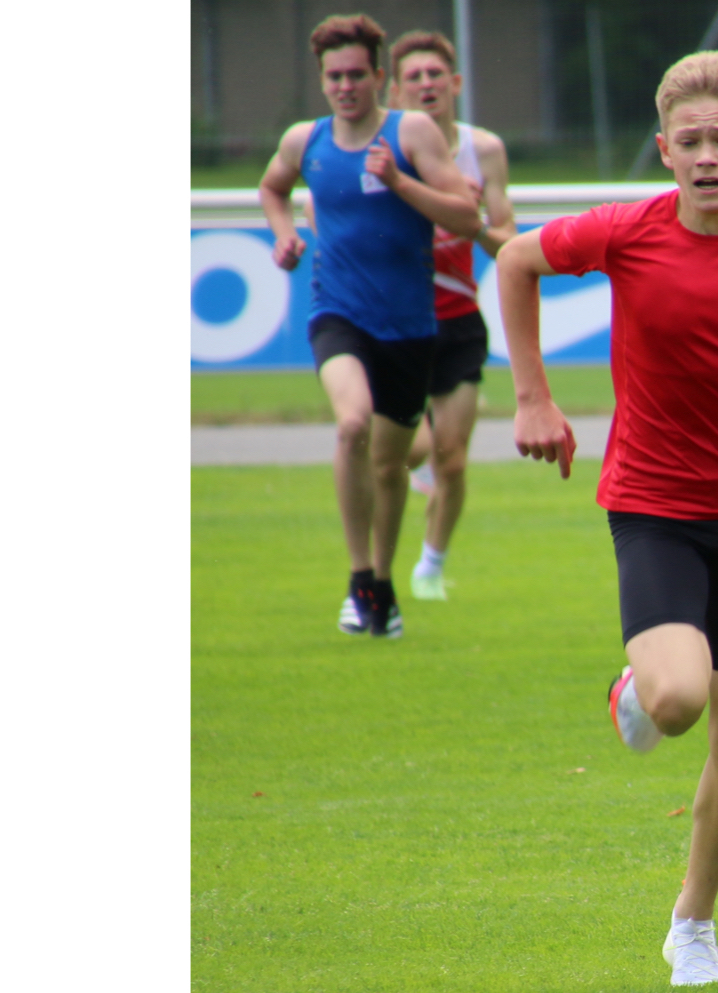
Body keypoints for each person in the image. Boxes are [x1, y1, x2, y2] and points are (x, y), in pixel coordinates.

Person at [497, 51, 718, 988]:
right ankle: (640, 687)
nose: (707, 155)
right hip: (655, 506)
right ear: (664, 150)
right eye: (690, 141)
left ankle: (694, 924)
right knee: (680, 703)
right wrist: (532, 398)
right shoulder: (625, 232)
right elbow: (517, 260)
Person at [261, 14, 480, 637]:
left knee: (390, 467)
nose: (345, 86)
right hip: (338, 313)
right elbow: (273, 189)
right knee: (352, 422)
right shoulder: (305, 140)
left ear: (380, 77)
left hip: (410, 328)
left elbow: (465, 217)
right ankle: (360, 577)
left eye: (357, 75)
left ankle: (381, 584)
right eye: (334, 77)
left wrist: (398, 181)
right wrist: (284, 235)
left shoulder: (410, 133)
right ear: (322, 81)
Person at [383, 29, 518, 601]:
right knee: (401, 448)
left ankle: (430, 567)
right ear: (394, 91)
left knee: (453, 461)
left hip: (458, 319)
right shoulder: (381, 149)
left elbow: (507, 243)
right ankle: (412, 473)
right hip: (392, 320)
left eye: (435, 74)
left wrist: (470, 218)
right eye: (413, 77)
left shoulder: (483, 150)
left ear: (455, 82)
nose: (426, 85)